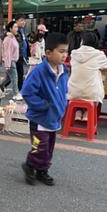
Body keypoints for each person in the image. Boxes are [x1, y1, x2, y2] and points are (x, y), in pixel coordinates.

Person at [21, 32, 69, 186]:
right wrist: (43, 105)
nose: (64, 55)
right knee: (38, 147)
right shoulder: (39, 71)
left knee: (48, 148)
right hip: (39, 119)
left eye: (66, 51)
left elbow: (63, 91)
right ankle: (30, 165)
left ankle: (42, 170)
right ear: (48, 53)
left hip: (54, 118)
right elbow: (27, 92)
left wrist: (63, 106)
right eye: (61, 52)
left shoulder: (63, 71)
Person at [67, 31, 107, 121]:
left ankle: (78, 112)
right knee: (95, 82)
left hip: (72, 91)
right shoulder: (99, 54)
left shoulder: (74, 53)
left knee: (80, 86)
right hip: (92, 93)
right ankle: (88, 113)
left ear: (82, 42)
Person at [2, 20, 20, 98]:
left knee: (8, 79)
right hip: (10, 61)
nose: (17, 29)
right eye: (15, 27)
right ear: (10, 29)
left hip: (12, 61)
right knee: (14, 78)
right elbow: (7, 53)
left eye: (17, 27)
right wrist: (8, 64)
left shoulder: (12, 38)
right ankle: (16, 94)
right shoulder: (8, 39)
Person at [15, 16, 28, 92]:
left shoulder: (22, 30)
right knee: (18, 73)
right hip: (17, 55)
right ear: (17, 21)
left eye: (24, 20)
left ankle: (20, 89)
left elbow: (23, 41)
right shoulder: (15, 29)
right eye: (21, 20)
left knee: (18, 73)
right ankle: (20, 89)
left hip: (22, 54)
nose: (23, 22)